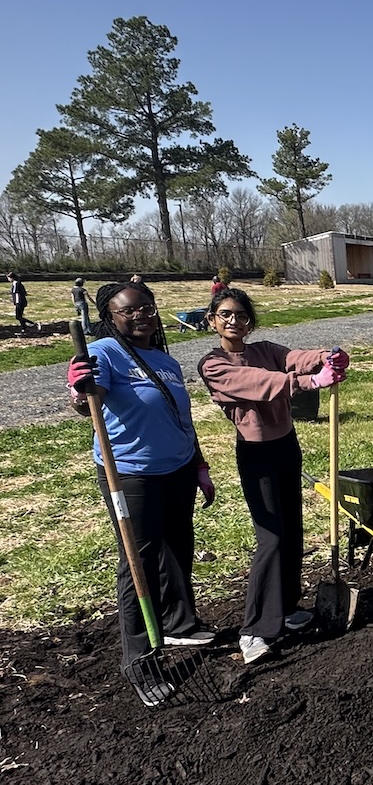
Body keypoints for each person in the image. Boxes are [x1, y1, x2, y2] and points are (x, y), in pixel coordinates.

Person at [64, 281, 216, 708]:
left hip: (179, 470)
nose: (141, 315)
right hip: (132, 476)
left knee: (178, 549)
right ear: (109, 317)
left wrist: (199, 464)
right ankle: (141, 663)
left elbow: (178, 415)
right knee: (139, 565)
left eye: (146, 307)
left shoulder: (163, 358)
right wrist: (79, 389)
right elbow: (87, 401)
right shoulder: (106, 352)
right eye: (128, 310)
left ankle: (177, 624)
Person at [197, 288, 349, 664]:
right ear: (212, 319)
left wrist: (325, 358)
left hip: (285, 445)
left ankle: (285, 608)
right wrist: (310, 382)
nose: (234, 321)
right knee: (271, 538)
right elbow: (259, 383)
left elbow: (292, 358)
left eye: (242, 316)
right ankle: (255, 629)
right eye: (226, 314)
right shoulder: (213, 364)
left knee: (292, 529)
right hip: (256, 453)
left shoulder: (265, 348)